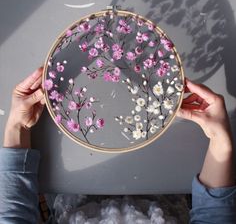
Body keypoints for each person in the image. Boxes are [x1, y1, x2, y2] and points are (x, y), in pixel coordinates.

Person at [0, 67, 235, 223]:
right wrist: (221, 143)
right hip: (166, 183)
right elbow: (213, 215)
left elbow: (14, 215)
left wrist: (18, 126)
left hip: (74, 190)